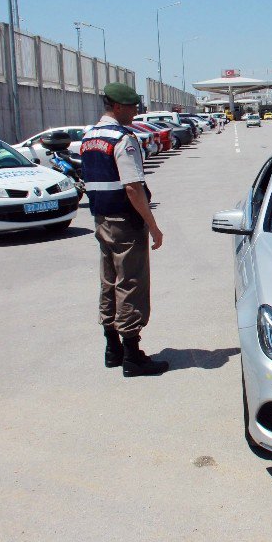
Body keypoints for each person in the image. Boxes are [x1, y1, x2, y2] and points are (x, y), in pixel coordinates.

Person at [81, 83, 168, 377]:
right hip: (125, 221)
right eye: (132, 107)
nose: (136, 112)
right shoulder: (122, 139)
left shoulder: (90, 137)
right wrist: (153, 226)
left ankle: (112, 348)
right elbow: (132, 187)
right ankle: (132, 354)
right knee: (130, 282)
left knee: (109, 280)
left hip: (101, 218)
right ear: (117, 107)